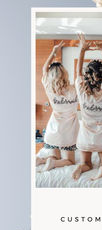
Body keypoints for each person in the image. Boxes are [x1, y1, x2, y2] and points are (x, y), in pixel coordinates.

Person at [72, 34, 102, 181]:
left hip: (85, 135)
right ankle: (99, 175)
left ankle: (80, 167)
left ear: (87, 75)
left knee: (86, 163)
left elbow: (77, 72)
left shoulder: (82, 92)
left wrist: (82, 50)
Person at [36, 41, 79, 171]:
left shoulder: (49, 87)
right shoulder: (73, 89)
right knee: (70, 161)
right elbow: (80, 74)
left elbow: (44, 69)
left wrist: (54, 51)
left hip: (53, 129)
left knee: (54, 156)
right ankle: (52, 164)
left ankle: (42, 160)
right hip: (68, 132)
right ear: (65, 73)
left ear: (50, 76)